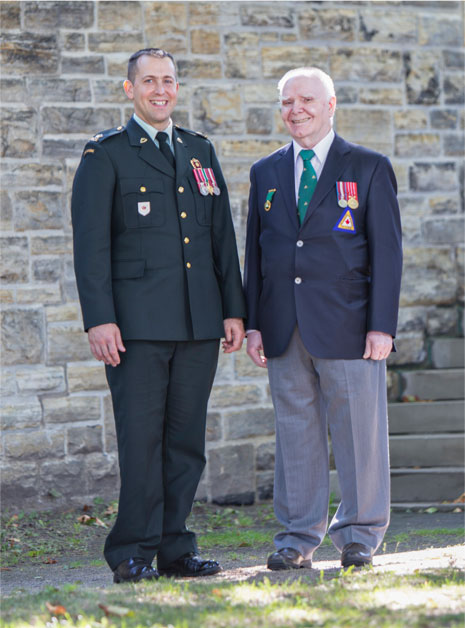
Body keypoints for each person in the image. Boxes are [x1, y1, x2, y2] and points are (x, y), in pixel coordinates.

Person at [71, 48, 246, 583]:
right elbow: (91, 246)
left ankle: (174, 548)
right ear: (130, 89)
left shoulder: (199, 150)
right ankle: (132, 551)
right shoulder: (106, 155)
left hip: (198, 323)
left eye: (168, 80)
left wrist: (233, 310)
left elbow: (221, 237)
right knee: (142, 442)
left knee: (186, 443)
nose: (160, 89)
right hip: (137, 329)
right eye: (148, 81)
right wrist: (99, 319)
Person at [244, 67, 402, 571]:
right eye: (287, 102)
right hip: (283, 327)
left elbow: (388, 253)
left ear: (331, 105)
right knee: (295, 435)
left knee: (359, 434)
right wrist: (252, 323)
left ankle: (359, 533)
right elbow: (257, 254)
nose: (297, 110)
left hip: (351, 327)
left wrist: (383, 326)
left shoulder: (369, 167)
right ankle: (296, 538)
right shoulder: (264, 172)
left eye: (307, 99)